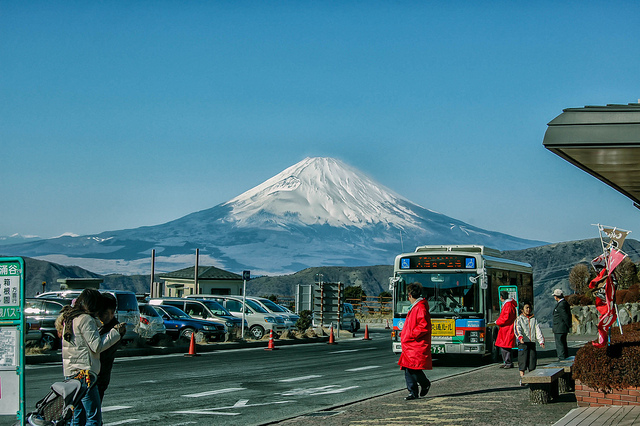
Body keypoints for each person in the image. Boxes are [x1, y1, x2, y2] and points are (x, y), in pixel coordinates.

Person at [57, 289, 125, 426]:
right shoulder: (86, 319)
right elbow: (97, 346)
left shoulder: (69, 318)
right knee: (93, 417)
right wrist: (116, 332)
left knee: (77, 416)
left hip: (70, 373)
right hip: (85, 375)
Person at [397, 282, 432, 401]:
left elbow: (423, 326)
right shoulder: (417, 307)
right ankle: (412, 392)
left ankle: (424, 383)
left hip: (415, 344)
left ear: (411, 295)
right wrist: (405, 333)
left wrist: (409, 334)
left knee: (413, 368)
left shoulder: (420, 307)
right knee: (408, 367)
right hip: (410, 344)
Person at [96, 293, 123, 402]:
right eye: (103, 313)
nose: (104, 316)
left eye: (109, 313)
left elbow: (103, 351)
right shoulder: (96, 324)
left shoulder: (116, 329)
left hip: (101, 375)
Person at [514, 301, 545, 386]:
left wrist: (540, 341)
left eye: (529, 308)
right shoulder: (519, 319)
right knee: (522, 360)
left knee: (532, 361)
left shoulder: (533, 319)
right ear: (522, 309)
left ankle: (531, 377)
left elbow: (537, 330)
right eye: (526, 308)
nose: (528, 309)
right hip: (523, 343)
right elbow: (517, 329)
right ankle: (523, 378)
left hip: (531, 342)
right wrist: (520, 337)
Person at [495, 291, 517, 368]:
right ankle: (507, 362)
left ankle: (508, 362)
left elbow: (506, 318)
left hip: (507, 328)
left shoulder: (507, 305)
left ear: (501, 297)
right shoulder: (509, 304)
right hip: (506, 328)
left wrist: (497, 321)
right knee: (505, 346)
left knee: (505, 346)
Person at [552, 288, 571, 360]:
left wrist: (567, 325)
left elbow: (565, 316)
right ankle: (564, 358)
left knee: (560, 345)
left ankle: (562, 359)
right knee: (563, 344)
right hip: (562, 328)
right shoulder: (564, 303)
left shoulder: (561, 305)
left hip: (560, 328)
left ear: (556, 296)